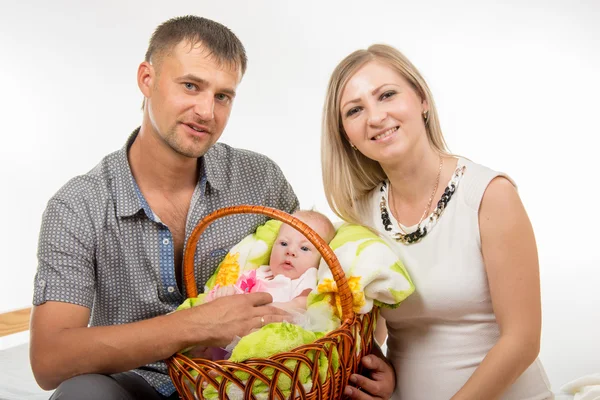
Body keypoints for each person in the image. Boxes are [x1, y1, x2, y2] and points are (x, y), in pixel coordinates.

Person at [30, 15, 298, 400]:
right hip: (135, 383)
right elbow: (49, 360)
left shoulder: (261, 179)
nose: (207, 111)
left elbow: (320, 277)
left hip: (244, 380)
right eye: (191, 86)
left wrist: (369, 357)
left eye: (223, 96)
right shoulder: (78, 206)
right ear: (147, 78)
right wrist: (194, 325)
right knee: (81, 394)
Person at [321, 44, 553, 399]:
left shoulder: (489, 195)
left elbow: (522, 342)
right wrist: (375, 368)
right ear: (347, 136)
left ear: (422, 100)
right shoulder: (360, 217)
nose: (375, 117)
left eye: (387, 95)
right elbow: (371, 333)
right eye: (355, 110)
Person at [207, 210, 336, 309]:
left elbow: (304, 304)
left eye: (304, 248)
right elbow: (239, 293)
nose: (290, 251)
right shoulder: (259, 274)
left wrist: (269, 310)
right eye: (284, 243)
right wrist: (228, 293)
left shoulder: (306, 279)